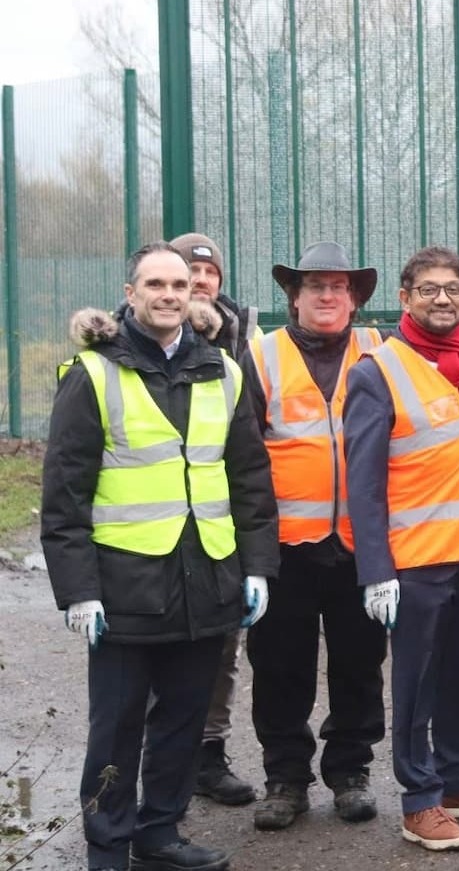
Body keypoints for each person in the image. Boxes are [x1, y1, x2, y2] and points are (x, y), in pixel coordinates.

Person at [42, 241, 279, 871]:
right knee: (117, 726)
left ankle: (159, 833)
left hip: (207, 581)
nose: (170, 294)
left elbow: (251, 481)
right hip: (126, 588)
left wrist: (257, 567)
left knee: (183, 718)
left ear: (194, 294)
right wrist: (78, 591)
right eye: (155, 284)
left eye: (180, 284)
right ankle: (107, 842)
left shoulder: (223, 371)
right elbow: (64, 498)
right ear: (131, 295)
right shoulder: (93, 374)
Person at [343, 246, 459, 851]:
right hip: (415, 558)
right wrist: (376, 569)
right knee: (417, 681)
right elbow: (363, 483)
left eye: (452, 288)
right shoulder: (378, 371)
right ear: (405, 299)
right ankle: (419, 798)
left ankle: (457, 778)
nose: (443, 299)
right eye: (428, 290)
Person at [241, 242, 389, 832]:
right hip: (285, 548)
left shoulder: (382, 351)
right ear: (293, 297)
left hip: (362, 545)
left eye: (338, 286)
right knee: (279, 666)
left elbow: (452, 328)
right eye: (314, 286)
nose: (327, 296)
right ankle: (285, 778)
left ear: (354, 298)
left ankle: (350, 771)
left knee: (360, 664)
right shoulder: (260, 356)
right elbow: (244, 456)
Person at [169, 231, 264, 806]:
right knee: (149, 655)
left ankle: (207, 755)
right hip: (147, 533)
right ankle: (155, 766)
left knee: (221, 646)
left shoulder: (244, 342)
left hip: (219, 521)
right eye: (187, 272)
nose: (201, 281)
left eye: (209, 274)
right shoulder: (118, 347)